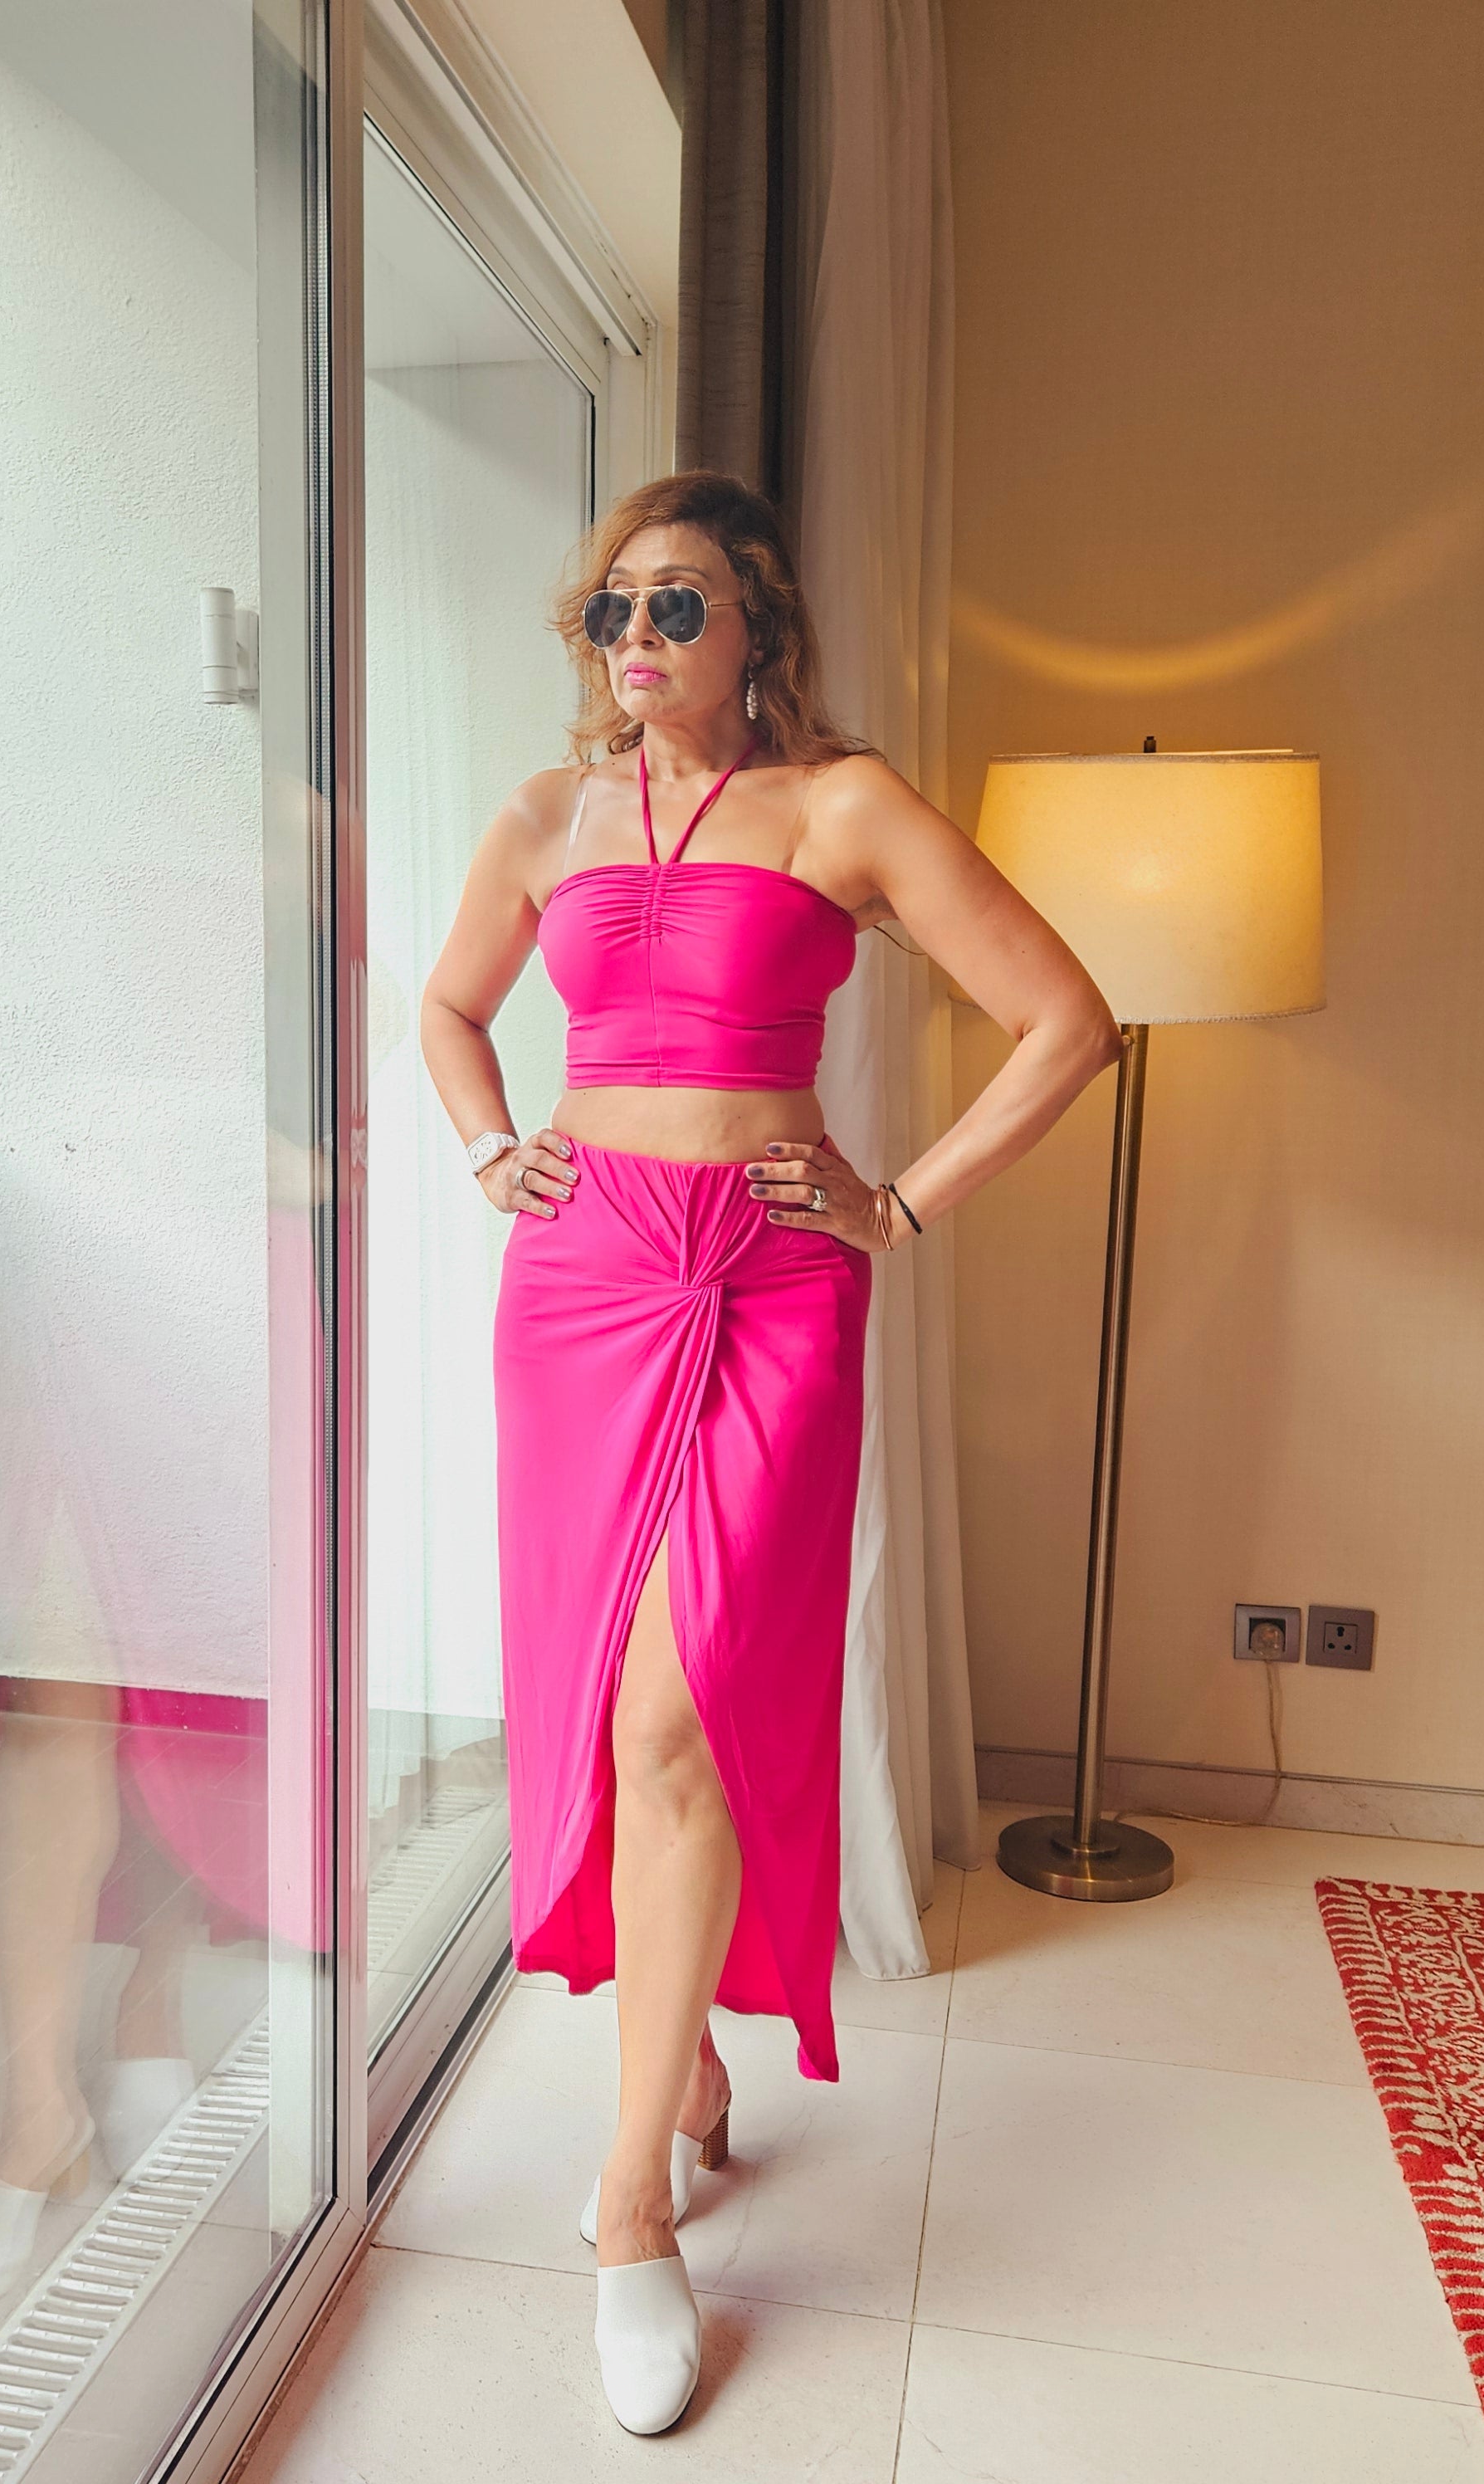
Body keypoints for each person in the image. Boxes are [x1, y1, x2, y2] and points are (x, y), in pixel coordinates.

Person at [419, 468, 1120, 2433]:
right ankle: (685, 2062)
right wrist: (489, 1148)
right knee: (609, 1710)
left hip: (766, 1288)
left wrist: (896, 1201)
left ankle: (631, 2201)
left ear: (755, 625)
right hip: (578, 1291)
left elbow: (1064, 1020)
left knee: (683, 1713)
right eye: (610, 608)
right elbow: (451, 1007)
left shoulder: (839, 805)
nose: (635, 638)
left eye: (676, 603)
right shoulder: (544, 819)